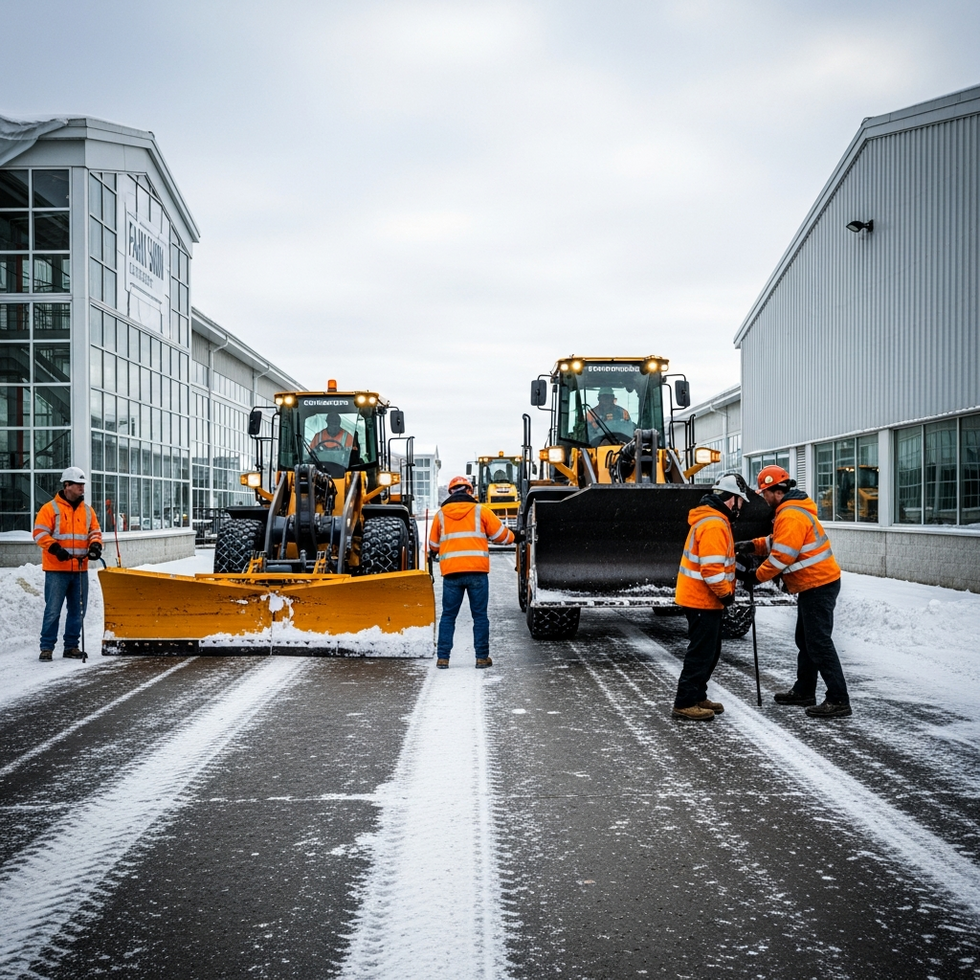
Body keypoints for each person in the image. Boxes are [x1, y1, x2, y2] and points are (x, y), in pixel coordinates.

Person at [736, 465, 851, 719]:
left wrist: (755, 577)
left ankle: (838, 699)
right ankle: (804, 691)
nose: (763, 497)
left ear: (776, 491)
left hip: (818, 585)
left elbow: (781, 557)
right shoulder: (788, 512)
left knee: (819, 643)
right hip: (813, 584)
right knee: (806, 640)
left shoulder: (790, 515)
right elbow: (778, 542)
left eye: (764, 492)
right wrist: (752, 546)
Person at [672, 474, 748, 721]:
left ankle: (697, 695)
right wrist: (726, 595)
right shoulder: (714, 524)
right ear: (732, 499)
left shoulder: (716, 520)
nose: (742, 507)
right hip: (702, 599)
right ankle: (685, 702)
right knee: (701, 652)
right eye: (741, 501)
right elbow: (711, 569)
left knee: (711, 650)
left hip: (703, 599)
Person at [428, 475, 515, 669]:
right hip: (477, 572)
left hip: (451, 574)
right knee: (480, 616)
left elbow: (433, 544)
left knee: (448, 616)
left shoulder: (441, 514)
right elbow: (501, 535)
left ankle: (443, 658)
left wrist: (436, 551)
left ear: (451, 492)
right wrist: (515, 536)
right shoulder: (481, 511)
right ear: (469, 491)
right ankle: (481, 658)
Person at [32, 466, 103, 662]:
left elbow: (94, 532)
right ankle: (46, 647)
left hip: (80, 569)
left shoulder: (88, 511)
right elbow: (39, 533)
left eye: (83, 485)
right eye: (78, 485)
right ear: (67, 485)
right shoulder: (50, 509)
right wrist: (55, 549)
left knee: (78, 609)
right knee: (53, 610)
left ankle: (71, 646)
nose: (82, 488)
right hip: (57, 569)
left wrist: (95, 545)